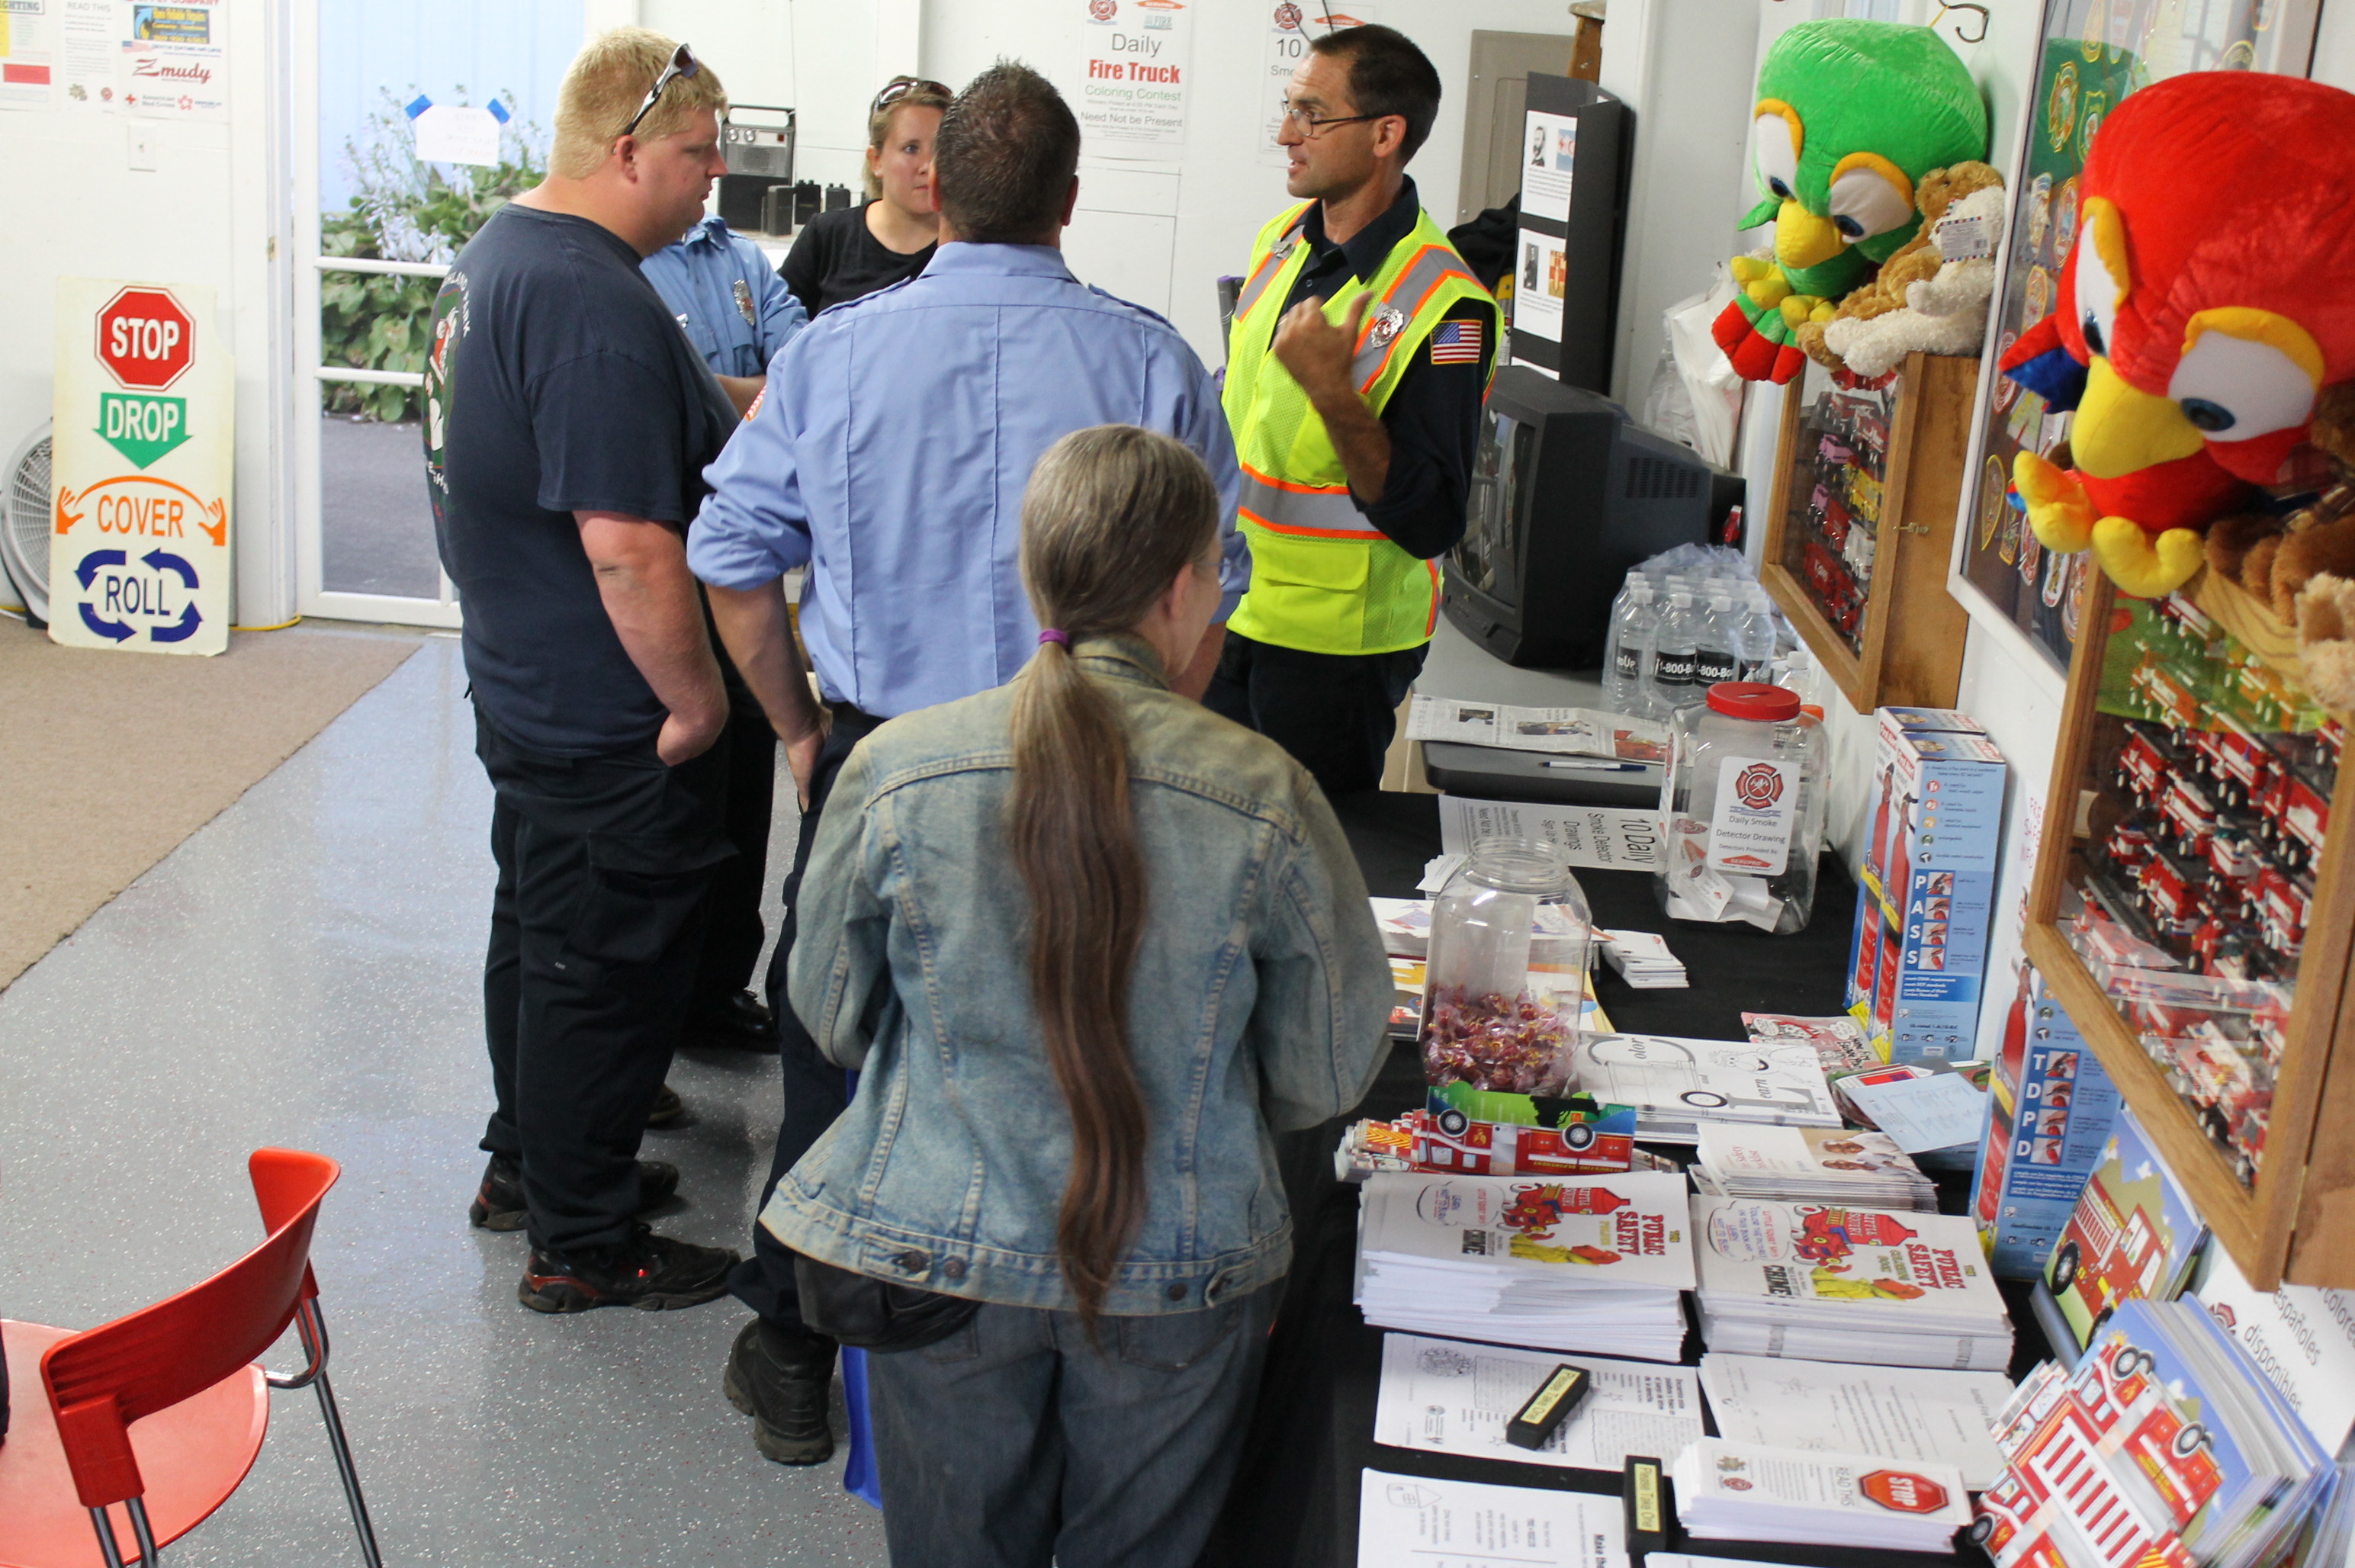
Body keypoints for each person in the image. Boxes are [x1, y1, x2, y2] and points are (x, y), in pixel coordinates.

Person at [689, 60, 1249, 1465]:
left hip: (882, 761)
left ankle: (799, 1339)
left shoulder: (830, 353)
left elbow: (731, 557)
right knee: (1074, 1034)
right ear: (1071, 199)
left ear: (935, 189)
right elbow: (1212, 588)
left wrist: (801, 730)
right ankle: (1054, 1330)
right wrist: (1154, 734)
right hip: (1094, 761)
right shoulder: (1151, 361)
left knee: (837, 1039)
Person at [769, 425, 1391, 1567]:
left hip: (936, 1253)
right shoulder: (1269, 791)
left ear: (1036, 574)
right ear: (1181, 589)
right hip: (1182, 1264)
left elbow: (829, 1012)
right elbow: (1329, 1070)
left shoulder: (897, 766)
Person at [426, 27, 746, 1312]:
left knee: (540, 931)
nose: (715, 173)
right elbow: (627, 547)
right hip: (604, 705)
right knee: (601, 968)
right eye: (699, 151)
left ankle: (533, 1166)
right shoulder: (588, 301)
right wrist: (696, 700)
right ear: (626, 152)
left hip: (526, 679)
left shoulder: (505, 255)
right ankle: (585, 1239)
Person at [1206, 24, 1500, 798]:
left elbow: (1431, 518)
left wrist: (1334, 394)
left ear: (1385, 135)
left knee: (1312, 855)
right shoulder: (1282, 241)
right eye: (1288, 108)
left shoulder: (1447, 305)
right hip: (1232, 606)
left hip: (1333, 650)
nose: (1286, 134)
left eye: (1311, 114)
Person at [639, 217, 810, 1056]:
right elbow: (661, 400)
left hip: (741, 568)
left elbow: (800, 372)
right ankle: (650, 1017)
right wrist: (746, 395)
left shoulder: (740, 260)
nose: (716, 163)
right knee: (671, 795)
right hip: (659, 555)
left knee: (744, 781)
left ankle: (714, 992)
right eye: (695, 152)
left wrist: (710, 387)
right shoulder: (621, 269)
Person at [778, 76, 949, 315]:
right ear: (876, 160)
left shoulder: (966, 245)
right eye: (911, 149)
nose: (929, 166)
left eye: (941, 148)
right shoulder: (828, 236)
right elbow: (781, 324)